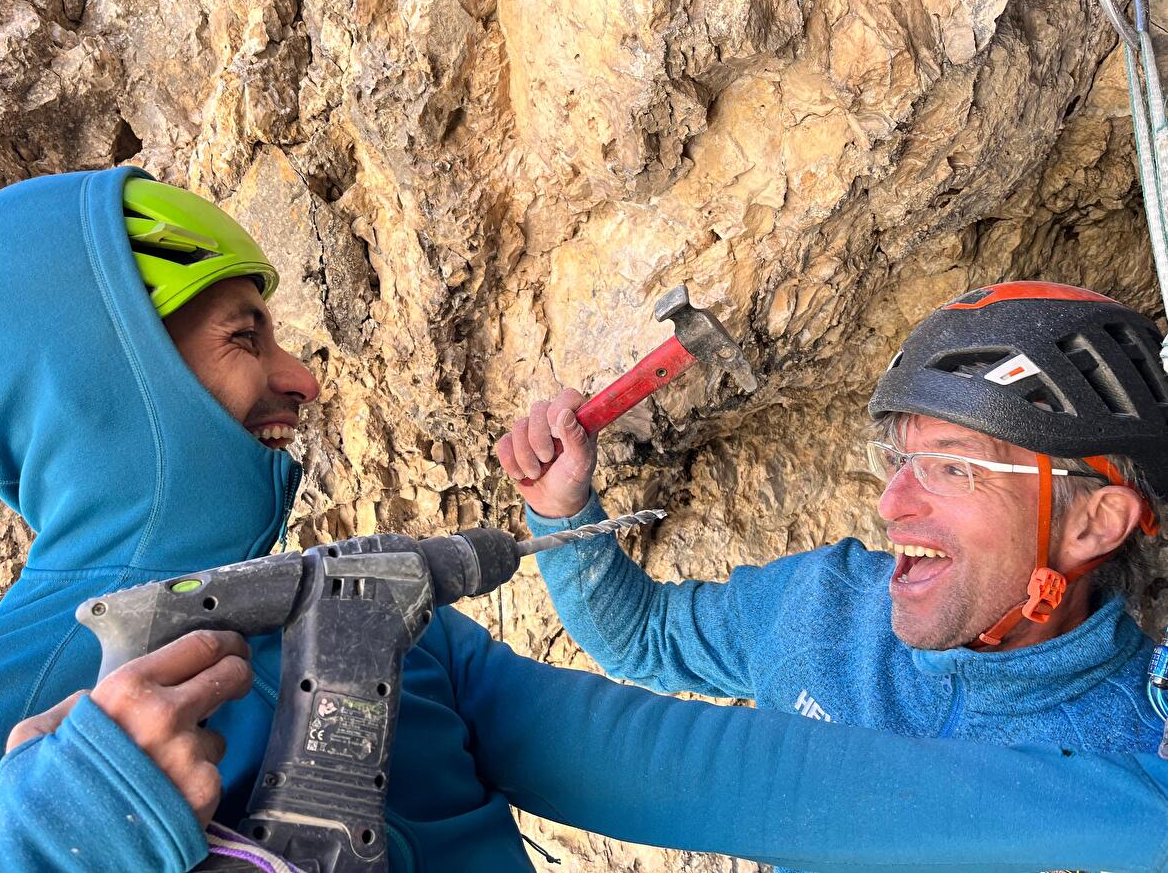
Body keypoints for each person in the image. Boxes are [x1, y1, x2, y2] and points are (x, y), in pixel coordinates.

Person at [0, 168, 1166, 873]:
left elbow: (761, 779)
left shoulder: (369, 632)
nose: (304, 378)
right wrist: (66, 835)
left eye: (956, 466)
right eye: (242, 334)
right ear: (118, 381)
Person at [500, 283, 1168, 775]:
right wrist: (563, 509)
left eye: (951, 466)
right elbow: (644, 636)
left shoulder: (1142, 757)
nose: (892, 501)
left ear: (1093, 522)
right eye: (899, 460)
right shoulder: (822, 608)